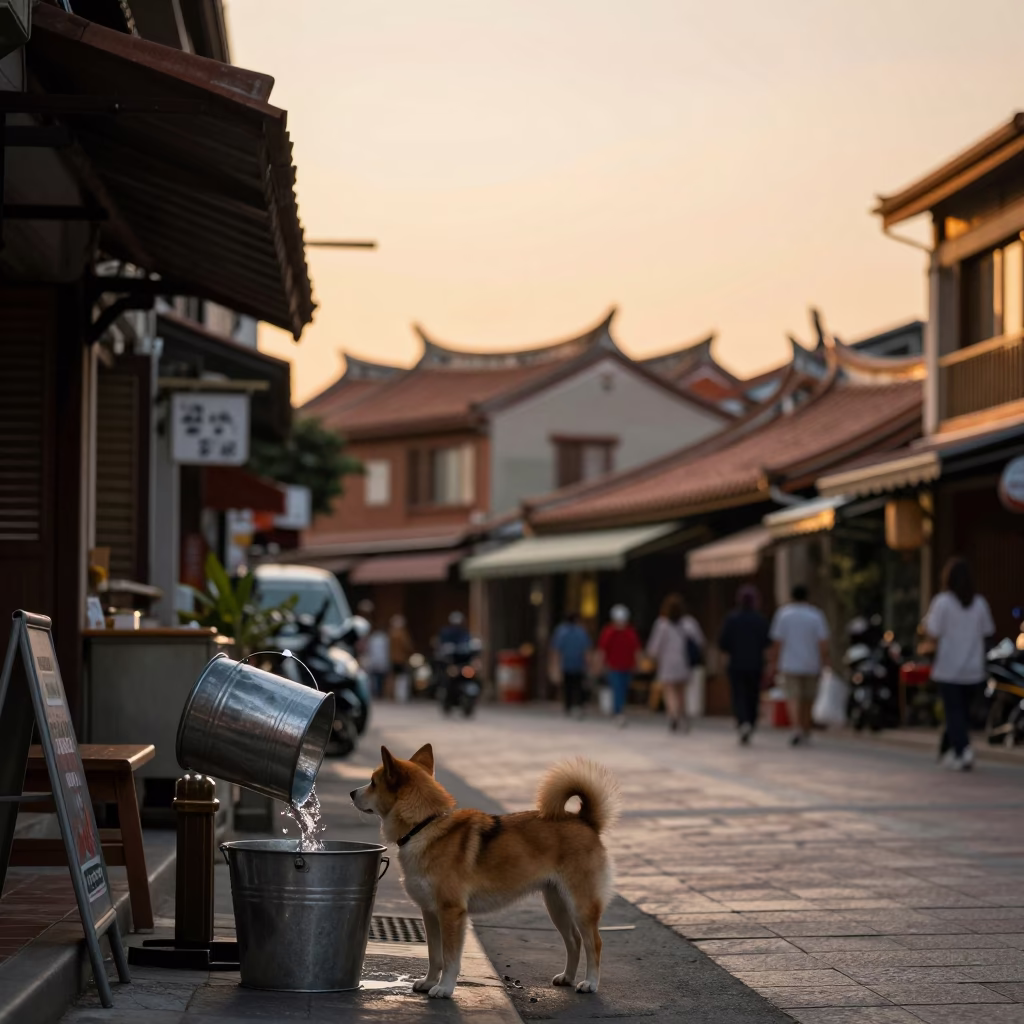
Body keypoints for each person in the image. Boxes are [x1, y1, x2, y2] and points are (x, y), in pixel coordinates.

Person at [925, 557, 994, 771]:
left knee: (953, 712)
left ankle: (963, 750)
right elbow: (988, 632)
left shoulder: (942, 603)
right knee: (959, 713)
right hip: (973, 669)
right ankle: (947, 751)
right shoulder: (980, 603)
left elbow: (932, 632)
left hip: (949, 668)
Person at [767, 584, 830, 746]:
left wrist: (773, 662)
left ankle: (797, 728)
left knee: (793, 698)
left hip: (789, 663)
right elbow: (823, 642)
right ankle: (806, 728)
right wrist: (824, 662)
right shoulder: (815, 615)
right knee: (809, 698)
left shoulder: (783, 615)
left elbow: (777, 642)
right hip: (811, 663)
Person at [719, 584, 771, 745]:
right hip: (755, 664)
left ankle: (743, 721)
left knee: (738, 695)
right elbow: (767, 644)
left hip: (736, 664)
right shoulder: (760, 620)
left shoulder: (732, 619)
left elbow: (723, 644)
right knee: (753, 695)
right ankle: (751, 721)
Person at [646, 593, 705, 733]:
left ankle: (673, 715)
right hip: (684, 663)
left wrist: (653, 658)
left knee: (669, 691)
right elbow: (700, 641)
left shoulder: (661, 625)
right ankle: (682, 716)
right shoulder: (689, 623)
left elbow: (653, 648)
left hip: (667, 663)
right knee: (681, 692)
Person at [597, 604, 641, 727]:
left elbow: (636, 650)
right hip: (613, 666)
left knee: (623, 689)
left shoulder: (630, 632)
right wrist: (600, 664)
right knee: (617, 689)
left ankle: (618, 710)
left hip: (627, 666)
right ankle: (618, 713)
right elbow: (602, 650)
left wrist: (637, 664)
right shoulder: (609, 632)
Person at [551, 611, 591, 717]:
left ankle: (568, 707)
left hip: (566, 663)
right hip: (578, 664)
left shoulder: (561, 632)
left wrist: (555, 665)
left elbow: (556, 650)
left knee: (567, 686)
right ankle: (578, 705)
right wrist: (588, 663)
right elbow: (586, 650)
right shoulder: (581, 632)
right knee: (578, 686)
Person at [388, 614, 414, 702]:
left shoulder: (391, 633)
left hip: (392, 658)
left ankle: (394, 695)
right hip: (401, 659)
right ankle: (401, 696)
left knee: (394, 677)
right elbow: (407, 645)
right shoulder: (402, 633)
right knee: (402, 678)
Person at [362, 624, 391, 698]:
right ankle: (378, 692)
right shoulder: (383, 638)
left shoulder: (374, 638)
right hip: (379, 660)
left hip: (376, 660)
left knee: (376, 678)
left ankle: (378, 692)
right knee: (378, 678)